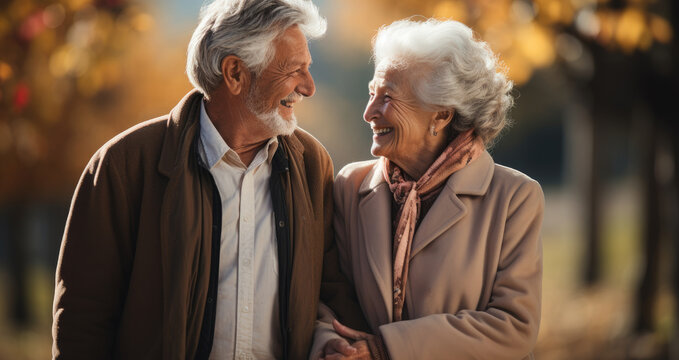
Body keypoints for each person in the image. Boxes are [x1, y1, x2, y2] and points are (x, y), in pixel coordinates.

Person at [52, 1, 367, 359]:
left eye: (308, 70)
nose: (309, 87)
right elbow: (83, 320)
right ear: (234, 73)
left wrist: (333, 342)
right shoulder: (123, 166)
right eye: (295, 70)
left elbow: (328, 294)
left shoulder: (312, 165)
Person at [312, 19, 544, 360]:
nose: (369, 112)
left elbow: (513, 326)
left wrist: (386, 348)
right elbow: (330, 297)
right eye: (371, 92)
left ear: (441, 116)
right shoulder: (350, 186)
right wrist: (329, 342)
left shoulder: (514, 197)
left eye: (388, 97)